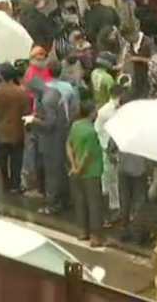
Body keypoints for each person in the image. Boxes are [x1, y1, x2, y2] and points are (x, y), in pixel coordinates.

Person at [25, 78, 69, 215]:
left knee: (51, 174)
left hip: (51, 141)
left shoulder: (46, 100)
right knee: (60, 172)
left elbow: (49, 124)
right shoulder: (54, 92)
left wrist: (33, 120)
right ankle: (64, 201)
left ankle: (52, 205)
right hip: (61, 138)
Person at [67, 101, 105, 247]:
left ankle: (83, 231)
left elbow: (69, 145)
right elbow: (88, 155)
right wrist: (80, 168)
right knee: (94, 204)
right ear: (91, 113)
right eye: (95, 111)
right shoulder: (91, 131)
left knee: (80, 201)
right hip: (91, 172)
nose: (97, 113)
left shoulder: (75, 126)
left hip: (76, 171)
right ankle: (96, 237)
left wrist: (73, 165)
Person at [0, 64, 30, 193]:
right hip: (17, 132)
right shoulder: (22, 92)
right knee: (16, 161)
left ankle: (5, 184)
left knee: (2, 161)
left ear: (1, 75)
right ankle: (15, 185)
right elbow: (26, 114)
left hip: (1, 132)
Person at [94, 84, 123, 222]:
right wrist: (106, 148)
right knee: (108, 180)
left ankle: (116, 207)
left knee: (116, 180)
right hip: (108, 150)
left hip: (120, 149)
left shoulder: (122, 109)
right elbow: (99, 131)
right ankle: (109, 209)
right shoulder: (105, 111)